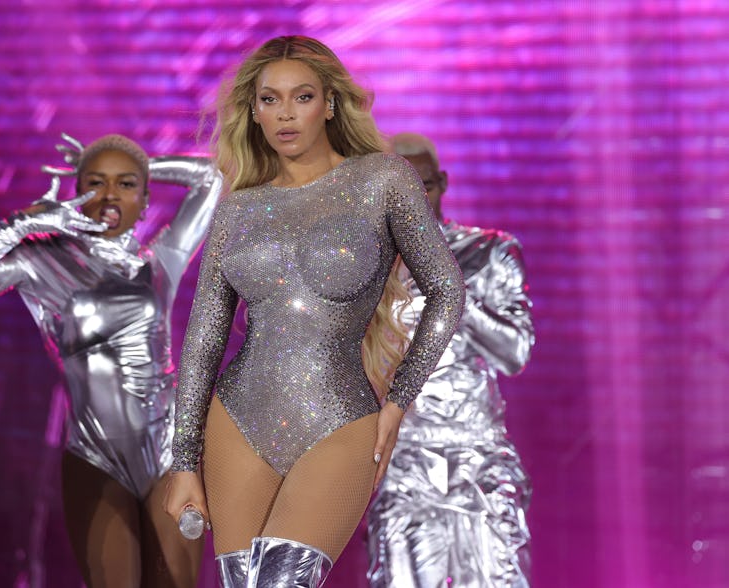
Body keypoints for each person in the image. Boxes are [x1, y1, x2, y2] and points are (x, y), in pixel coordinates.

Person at [162, 36, 465, 588]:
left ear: (328, 103)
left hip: (341, 422)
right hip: (237, 423)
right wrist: (184, 460)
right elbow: (203, 340)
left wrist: (398, 402)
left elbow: (446, 290)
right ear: (252, 112)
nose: (285, 114)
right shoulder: (239, 210)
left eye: (301, 97)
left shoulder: (382, 180)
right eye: (269, 99)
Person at [0, 133, 223, 588]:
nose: (109, 195)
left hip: (171, 459)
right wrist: (17, 227)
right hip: (95, 457)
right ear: (76, 192)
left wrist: (141, 162)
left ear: (145, 201)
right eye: (96, 183)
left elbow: (211, 177)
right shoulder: (43, 259)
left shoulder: (159, 262)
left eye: (126, 184)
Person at [366, 132, 535, 588]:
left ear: (443, 183)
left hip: (477, 455)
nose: (417, 199)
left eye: (426, 185)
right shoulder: (367, 265)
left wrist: (450, 288)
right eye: (403, 189)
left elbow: (516, 353)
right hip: (402, 457)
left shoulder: (490, 252)